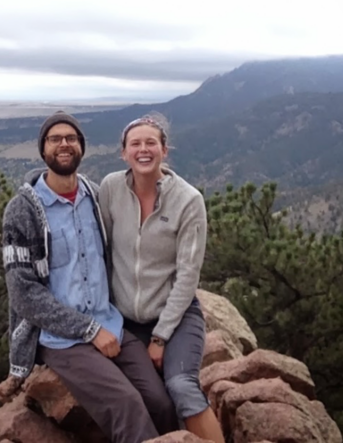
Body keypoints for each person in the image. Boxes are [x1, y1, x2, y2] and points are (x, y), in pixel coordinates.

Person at [0, 111, 179, 443]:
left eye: (71, 138)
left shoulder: (95, 197)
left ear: (81, 147)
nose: (64, 144)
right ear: (43, 149)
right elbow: (23, 294)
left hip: (111, 324)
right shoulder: (22, 211)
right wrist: (88, 330)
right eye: (55, 139)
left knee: (161, 402)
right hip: (62, 339)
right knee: (126, 406)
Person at [98, 114, 224, 443]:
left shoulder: (188, 200)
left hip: (176, 316)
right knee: (148, 397)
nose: (143, 149)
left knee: (181, 386)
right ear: (123, 153)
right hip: (124, 319)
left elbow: (187, 276)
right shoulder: (111, 188)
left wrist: (160, 338)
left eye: (151, 143)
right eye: (135, 144)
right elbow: (103, 251)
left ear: (164, 150)